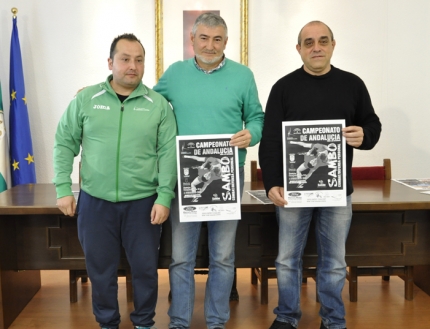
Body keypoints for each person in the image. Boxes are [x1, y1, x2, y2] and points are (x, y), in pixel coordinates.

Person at [258, 21, 381, 329]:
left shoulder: (353, 84)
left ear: (332, 45)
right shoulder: (283, 87)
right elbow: (271, 139)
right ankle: (286, 317)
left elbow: (372, 125)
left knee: (335, 262)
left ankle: (334, 320)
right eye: (309, 42)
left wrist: (363, 135)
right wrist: (272, 182)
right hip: (292, 192)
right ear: (299, 49)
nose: (316, 47)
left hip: (337, 193)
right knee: (286, 260)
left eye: (322, 41)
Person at [53, 33, 177, 329]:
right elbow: (64, 143)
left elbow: (168, 152)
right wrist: (62, 188)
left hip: (143, 203)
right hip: (96, 202)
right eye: (124, 59)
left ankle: (144, 322)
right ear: (110, 62)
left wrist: (164, 197)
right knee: (100, 271)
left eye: (138, 60)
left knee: (146, 270)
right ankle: (108, 323)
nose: (132, 66)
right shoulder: (86, 99)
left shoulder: (158, 105)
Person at [153, 12, 264, 329]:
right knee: (182, 257)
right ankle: (179, 322)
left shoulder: (243, 76)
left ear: (226, 42)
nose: (210, 45)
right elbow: (146, 106)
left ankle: (217, 321)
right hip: (185, 177)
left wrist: (251, 133)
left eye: (217, 39)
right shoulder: (174, 74)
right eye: (204, 38)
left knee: (223, 257)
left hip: (228, 176)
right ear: (192, 40)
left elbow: (257, 117)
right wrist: (95, 90)